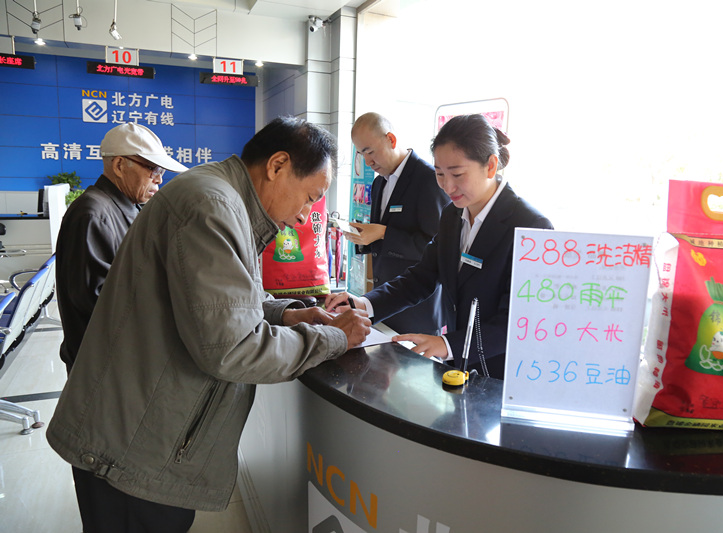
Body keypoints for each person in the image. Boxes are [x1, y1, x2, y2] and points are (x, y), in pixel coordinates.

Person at [46, 116, 371, 533]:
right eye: (310, 198)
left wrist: (288, 314)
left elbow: (221, 301)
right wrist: (334, 337)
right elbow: (233, 348)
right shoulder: (213, 206)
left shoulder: (223, 198)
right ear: (277, 165)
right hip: (134, 451)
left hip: (143, 438)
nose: (306, 216)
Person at [327, 114, 553, 379]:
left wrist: (448, 344)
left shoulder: (531, 227)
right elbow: (422, 277)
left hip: (501, 375)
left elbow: (519, 322)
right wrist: (365, 304)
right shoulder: (452, 215)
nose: (447, 186)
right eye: (439, 174)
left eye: (457, 174)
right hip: (458, 370)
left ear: (491, 166)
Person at [55, 122, 188, 375]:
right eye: (153, 169)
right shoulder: (94, 214)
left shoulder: (127, 208)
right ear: (118, 165)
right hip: (102, 365)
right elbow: (99, 302)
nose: (159, 178)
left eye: (161, 170)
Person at [347, 112, 449, 335]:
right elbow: (382, 242)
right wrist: (364, 237)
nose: (368, 162)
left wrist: (383, 233)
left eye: (370, 152)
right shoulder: (378, 184)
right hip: (384, 304)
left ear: (391, 140)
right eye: (362, 155)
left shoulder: (428, 180)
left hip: (418, 310)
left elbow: (437, 248)